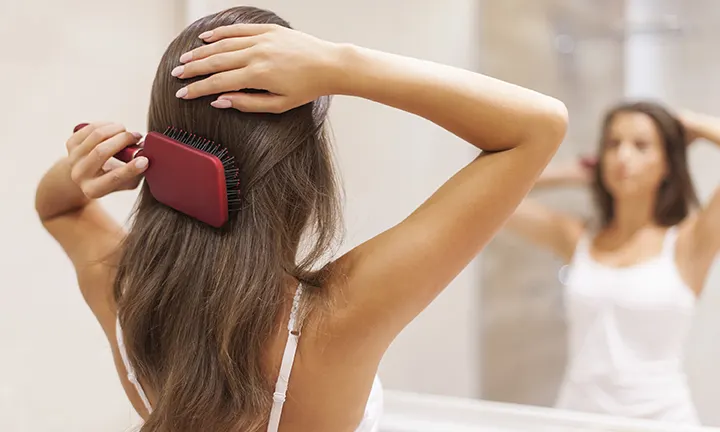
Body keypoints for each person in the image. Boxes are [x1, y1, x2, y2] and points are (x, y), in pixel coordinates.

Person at [34, 6, 567, 432]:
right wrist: (342, 65)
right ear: (303, 165)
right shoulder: (339, 314)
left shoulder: (121, 289)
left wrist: (83, 167)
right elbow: (537, 126)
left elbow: (56, 207)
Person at [504, 101, 720, 424]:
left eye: (641, 145)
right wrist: (570, 174)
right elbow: (492, 195)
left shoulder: (689, 244)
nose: (623, 156)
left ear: (667, 164)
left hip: (662, 420)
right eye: (613, 144)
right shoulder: (578, 238)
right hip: (575, 418)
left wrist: (693, 124)